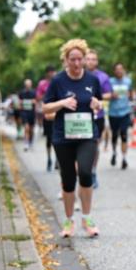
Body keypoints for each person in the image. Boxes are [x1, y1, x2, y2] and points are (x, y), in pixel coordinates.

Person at [43, 39, 104, 238]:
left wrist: (97, 105)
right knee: (68, 180)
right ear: (66, 60)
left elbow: (99, 102)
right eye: (72, 59)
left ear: (84, 59)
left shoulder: (92, 80)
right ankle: (69, 221)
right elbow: (45, 108)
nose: (77, 63)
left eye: (80, 59)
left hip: (87, 135)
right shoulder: (58, 81)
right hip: (63, 137)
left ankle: (87, 218)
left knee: (85, 173)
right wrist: (62, 103)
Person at [84, 50, 113, 188]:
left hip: (97, 115)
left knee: (94, 145)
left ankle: (93, 172)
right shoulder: (78, 74)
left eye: (93, 59)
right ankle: (82, 172)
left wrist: (96, 96)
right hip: (82, 116)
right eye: (88, 59)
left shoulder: (103, 77)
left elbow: (109, 94)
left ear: (97, 61)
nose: (90, 62)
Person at [107, 62, 133, 169]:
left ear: (123, 70)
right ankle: (114, 153)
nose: (119, 71)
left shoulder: (128, 81)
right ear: (114, 71)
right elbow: (106, 94)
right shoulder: (110, 81)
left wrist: (130, 96)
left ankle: (124, 158)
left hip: (125, 112)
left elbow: (131, 94)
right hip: (113, 112)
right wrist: (111, 95)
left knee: (124, 135)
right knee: (114, 135)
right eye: (117, 69)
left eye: (121, 69)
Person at [36, 66, 57, 171]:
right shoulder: (42, 84)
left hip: (58, 113)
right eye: (50, 72)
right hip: (48, 113)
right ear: (47, 73)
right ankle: (49, 159)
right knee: (49, 138)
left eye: (53, 72)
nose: (52, 74)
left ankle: (58, 160)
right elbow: (38, 97)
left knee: (58, 138)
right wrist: (47, 95)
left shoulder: (58, 82)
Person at [18, 79, 36, 151]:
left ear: (31, 85)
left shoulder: (34, 92)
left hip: (32, 112)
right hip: (24, 112)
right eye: (26, 84)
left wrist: (33, 102)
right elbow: (19, 102)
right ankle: (26, 143)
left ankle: (31, 142)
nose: (28, 86)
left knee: (31, 129)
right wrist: (21, 103)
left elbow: (36, 101)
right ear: (25, 85)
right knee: (26, 128)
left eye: (29, 84)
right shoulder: (21, 92)